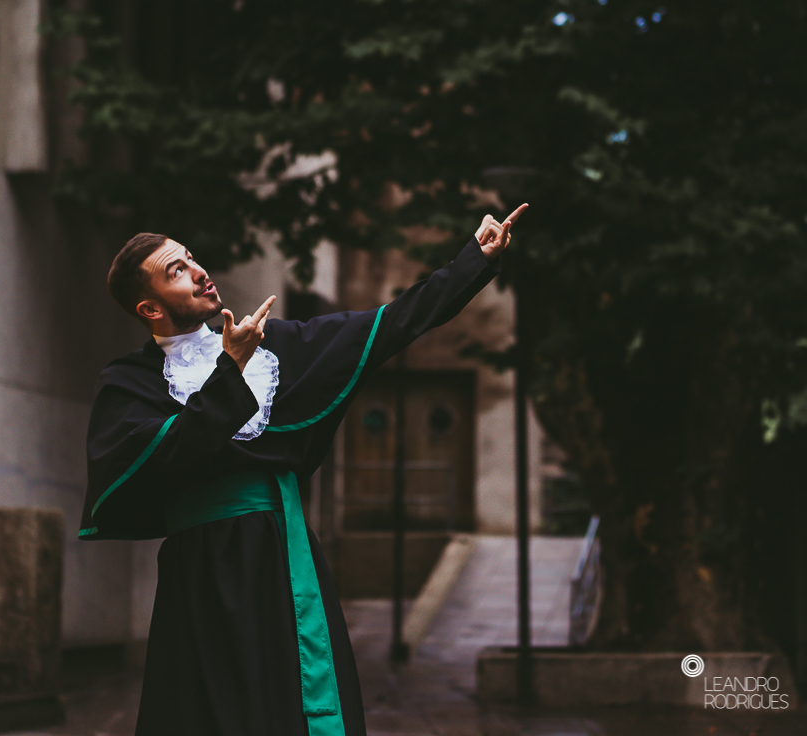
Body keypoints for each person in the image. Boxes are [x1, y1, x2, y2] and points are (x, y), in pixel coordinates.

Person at [79, 205, 527, 736]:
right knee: (207, 708)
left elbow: (392, 323)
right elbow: (168, 454)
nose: (199, 271)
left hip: (279, 555)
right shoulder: (130, 383)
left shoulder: (277, 347)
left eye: (192, 259)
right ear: (150, 308)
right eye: (177, 270)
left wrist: (474, 260)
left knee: (288, 697)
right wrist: (229, 370)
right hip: (199, 568)